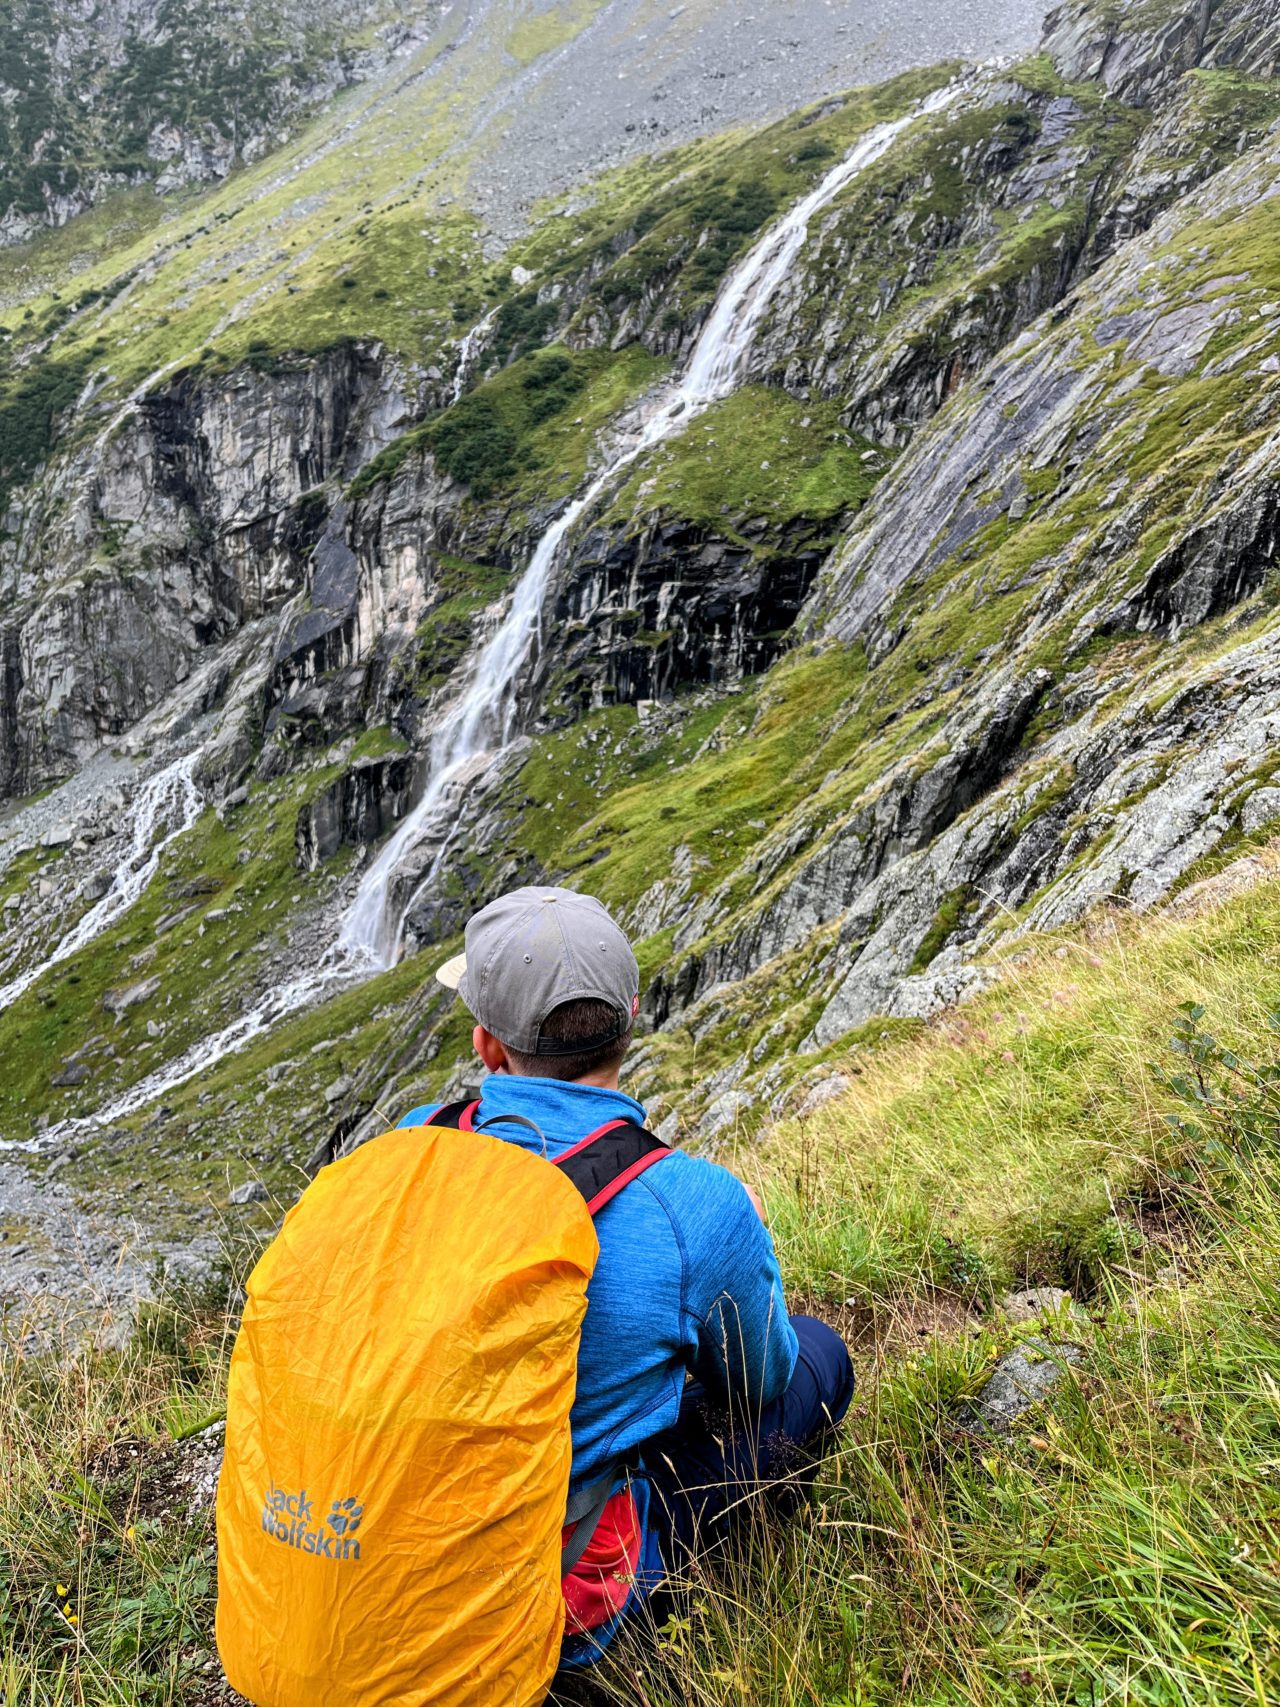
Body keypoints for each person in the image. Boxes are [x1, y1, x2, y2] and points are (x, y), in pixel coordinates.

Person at [399, 885, 854, 1684]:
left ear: (487, 1046)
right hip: (549, 1611)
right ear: (633, 1016)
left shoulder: (410, 1149)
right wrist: (740, 1244)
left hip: (393, 1547)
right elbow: (761, 1380)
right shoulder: (692, 1204)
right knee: (821, 1357)